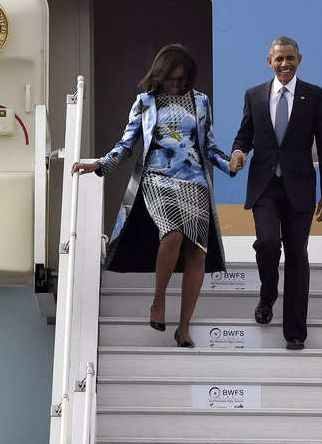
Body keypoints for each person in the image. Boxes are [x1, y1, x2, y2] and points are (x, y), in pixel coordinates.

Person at [72, 44, 239, 348]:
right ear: (160, 75)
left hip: (195, 182)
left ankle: (184, 327)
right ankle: (158, 300)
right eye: (171, 78)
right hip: (157, 178)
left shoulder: (201, 102)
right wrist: (99, 165)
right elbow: (126, 145)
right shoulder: (144, 103)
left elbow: (209, 147)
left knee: (197, 252)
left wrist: (230, 165)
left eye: (182, 79)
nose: (176, 84)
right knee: (172, 233)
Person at [230, 36, 322, 350]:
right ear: (270, 62)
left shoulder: (315, 96)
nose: (284, 64)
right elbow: (245, 133)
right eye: (279, 59)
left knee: (297, 256)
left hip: (301, 187)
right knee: (266, 243)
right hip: (265, 185)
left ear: (299, 59)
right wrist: (238, 152)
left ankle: (295, 331)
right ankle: (267, 294)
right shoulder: (254, 95)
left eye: (290, 58)